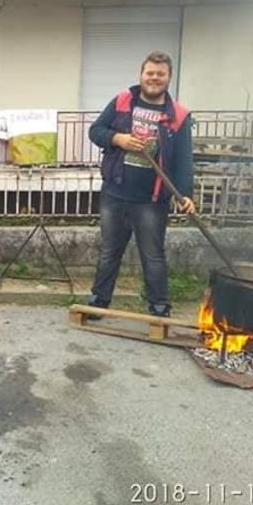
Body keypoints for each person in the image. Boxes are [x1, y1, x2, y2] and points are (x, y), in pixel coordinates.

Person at [88, 51, 195, 318]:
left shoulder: (178, 115)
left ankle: (159, 309)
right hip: (115, 193)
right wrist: (118, 139)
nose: (154, 78)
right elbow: (96, 131)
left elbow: (183, 159)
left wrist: (186, 194)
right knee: (109, 252)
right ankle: (99, 302)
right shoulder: (123, 100)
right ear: (141, 74)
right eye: (150, 73)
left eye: (161, 74)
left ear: (169, 78)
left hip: (151, 199)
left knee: (153, 256)